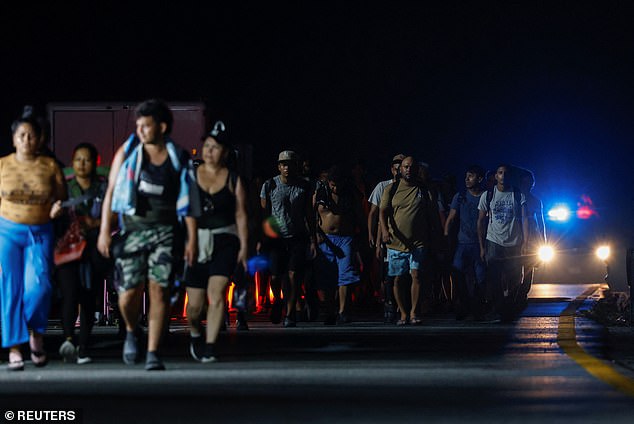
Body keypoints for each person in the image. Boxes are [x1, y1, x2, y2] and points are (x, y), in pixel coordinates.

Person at [97, 99, 198, 370]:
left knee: (159, 292)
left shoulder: (178, 157)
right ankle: (131, 330)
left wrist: (192, 240)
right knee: (127, 293)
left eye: (146, 125)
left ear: (162, 127)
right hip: (132, 230)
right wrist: (105, 230)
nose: (140, 130)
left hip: (165, 231)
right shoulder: (129, 151)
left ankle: (153, 352)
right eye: (138, 125)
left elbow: (188, 202)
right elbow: (111, 193)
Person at [0, 111, 66, 371]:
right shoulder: (3, 165)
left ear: (39, 140)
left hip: (40, 232)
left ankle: (35, 334)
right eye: (21, 135)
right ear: (14, 139)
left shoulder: (49, 166)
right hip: (7, 231)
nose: (26, 139)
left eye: (31, 135)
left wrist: (56, 208)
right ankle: (15, 348)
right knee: (10, 289)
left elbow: (61, 198)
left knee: (39, 286)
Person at [186, 121, 248, 362]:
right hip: (198, 239)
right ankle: (194, 333)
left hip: (225, 238)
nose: (210, 151)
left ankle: (211, 346)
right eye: (207, 146)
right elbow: (189, 212)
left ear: (225, 153)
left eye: (215, 147)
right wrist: (190, 241)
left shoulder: (234, 179)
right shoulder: (191, 176)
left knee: (218, 293)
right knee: (195, 307)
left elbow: (241, 213)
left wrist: (244, 244)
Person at [56, 143, 108, 364]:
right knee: (69, 293)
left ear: (95, 162)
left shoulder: (104, 187)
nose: (81, 164)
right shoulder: (64, 186)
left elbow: (114, 214)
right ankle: (68, 340)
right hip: (68, 247)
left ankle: (84, 345)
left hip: (94, 246)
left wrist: (95, 222)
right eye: (77, 159)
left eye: (86, 159)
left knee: (89, 296)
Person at [259, 150, 317, 328]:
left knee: (293, 275)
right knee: (276, 276)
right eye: (283, 164)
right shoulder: (269, 185)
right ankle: (278, 300)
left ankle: (290, 313)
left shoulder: (303, 186)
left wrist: (313, 239)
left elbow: (309, 213)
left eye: (290, 164)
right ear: (279, 167)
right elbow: (264, 214)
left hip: (297, 236)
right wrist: (261, 239)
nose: (287, 168)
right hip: (277, 238)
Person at [379, 156, 434, 325]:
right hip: (396, 242)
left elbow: (432, 216)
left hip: (418, 242)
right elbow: (382, 212)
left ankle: (413, 313)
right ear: (401, 169)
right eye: (405, 166)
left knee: (416, 275)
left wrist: (437, 237)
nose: (408, 169)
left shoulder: (423, 190)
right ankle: (402, 313)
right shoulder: (391, 188)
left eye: (412, 167)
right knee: (397, 278)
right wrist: (384, 231)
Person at [477, 164, 528, 321]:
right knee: (494, 278)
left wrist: (526, 241)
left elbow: (525, 219)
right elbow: (480, 221)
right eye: (500, 173)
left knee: (514, 278)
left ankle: (510, 308)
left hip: (514, 242)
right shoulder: (488, 195)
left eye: (506, 173)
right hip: (493, 241)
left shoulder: (518, 195)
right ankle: (499, 309)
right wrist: (482, 246)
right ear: (496, 176)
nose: (503, 175)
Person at [314, 166, 363, 324]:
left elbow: (359, 215)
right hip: (325, 238)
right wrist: (315, 235)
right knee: (327, 276)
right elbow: (310, 215)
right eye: (332, 184)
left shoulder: (351, 195)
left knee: (345, 274)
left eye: (338, 184)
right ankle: (329, 310)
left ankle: (343, 311)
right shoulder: (320, 193)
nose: (335, 188)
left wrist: (359, 237)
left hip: (345, 238)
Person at [443, 165, 486, 320]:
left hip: (480, 243)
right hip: (462, 243)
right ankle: (464, 305)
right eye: (466, 176)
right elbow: (451, 218)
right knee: (457, 273)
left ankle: (478, 309)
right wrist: (446, 238)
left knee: (480, 278)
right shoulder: (460, 196)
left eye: (471, 176)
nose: (467, 179)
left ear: (480, 178)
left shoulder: (485, 196)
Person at [367, 154, 404, 323]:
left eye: (401, 168)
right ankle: (389, 304)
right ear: (392, 169)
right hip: (388, 238)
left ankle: (401, 306)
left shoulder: (410, 187)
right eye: (395, 168)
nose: (398, 172)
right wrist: (373, 236)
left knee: (404, 274)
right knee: (388, 273)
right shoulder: (383, 187)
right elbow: (374, 214)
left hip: (406, 238)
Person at [518, 169, 546, 302]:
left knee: (529, 268)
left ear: (532, 184)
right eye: (524, 182)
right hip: (515, 236)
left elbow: (541, 223)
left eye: (529, 183)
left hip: (532, 239)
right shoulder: (514, 198)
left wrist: (544, 241)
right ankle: (515, 293)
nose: (526, 185)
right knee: (515, 267)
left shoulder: (536, 201)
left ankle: (523, 293)